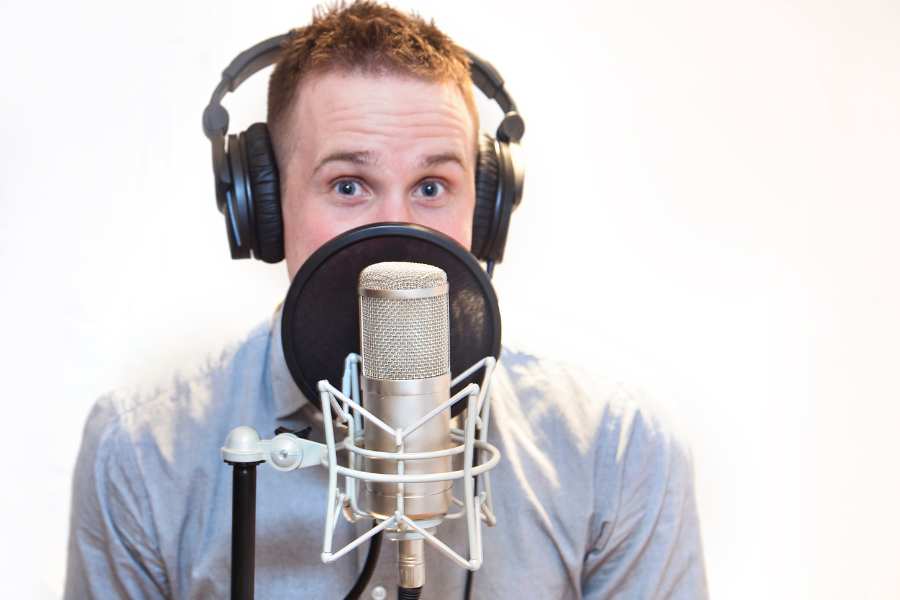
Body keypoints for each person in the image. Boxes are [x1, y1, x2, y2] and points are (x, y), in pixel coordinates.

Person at [64, 2, 708, 598]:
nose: (396, 232)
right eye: (349, 185)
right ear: (265, 209)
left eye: (431, 186)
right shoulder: (141, 453)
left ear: (485, 212)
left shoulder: (618, 454)